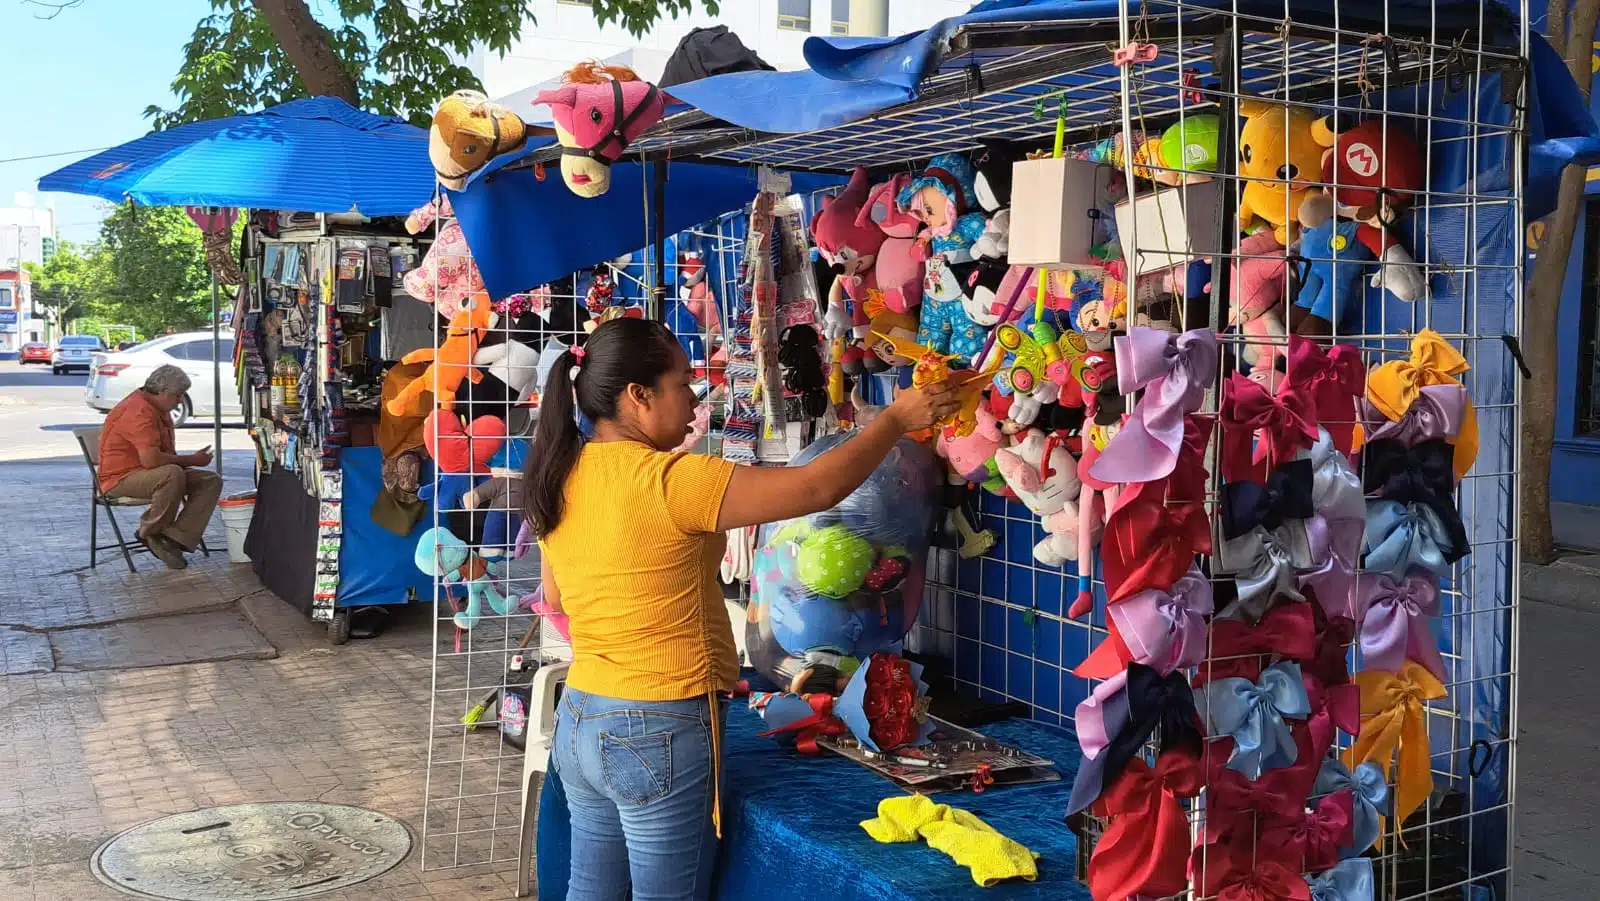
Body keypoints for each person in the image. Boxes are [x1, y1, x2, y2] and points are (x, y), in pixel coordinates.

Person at [524, 317, 958, 901]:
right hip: (656, 722)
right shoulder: (671, 479)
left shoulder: (561, 473)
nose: (692, 396)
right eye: (682, 383)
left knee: (589, 892)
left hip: (581, 716)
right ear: (638, 395)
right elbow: (813, 490)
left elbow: (554, 597)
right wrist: (896, 421)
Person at [98, 364, 222, 570]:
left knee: (210, 480)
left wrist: (189, 462)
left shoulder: (157, 407)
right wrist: (191, 460)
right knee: (171, 474)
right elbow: (151, 461)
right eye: (178, 396)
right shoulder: (138, 411)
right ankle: (151, 532)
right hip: (119, 479)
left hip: (147, 474)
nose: (180, 401)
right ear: (164, 392)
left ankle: (173, 538)